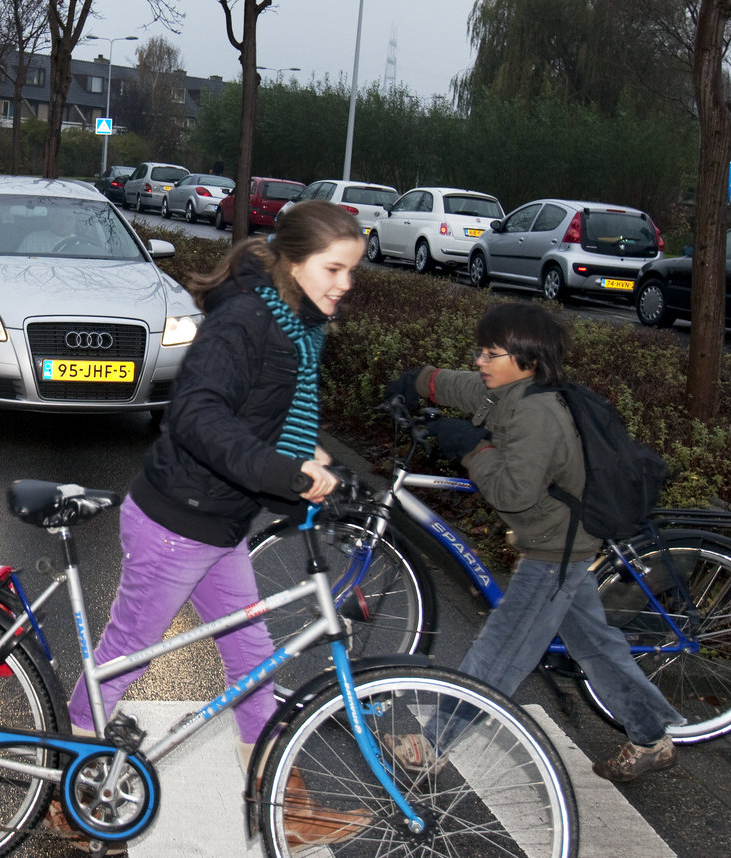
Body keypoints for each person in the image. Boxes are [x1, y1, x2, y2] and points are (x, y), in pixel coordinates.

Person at [54, 199, 366, 849]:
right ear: (294, 260)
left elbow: (257, 414)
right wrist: (283, 472)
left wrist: (299, 457)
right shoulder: (249, 322)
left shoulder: (295, 323)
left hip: (219, 523)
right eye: (333, 269)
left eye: (351, 271)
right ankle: (69, 786)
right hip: (177, 521)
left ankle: (283, 804)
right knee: (124, 656)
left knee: (251, 660)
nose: (344, 284)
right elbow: (196, 416)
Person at [382, 303, 685, 783]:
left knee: (503, 646)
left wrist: (472, 447)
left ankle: (431, 744)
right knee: (595, 646)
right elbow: (466, 386)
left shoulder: (537, 413)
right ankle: (650, 736)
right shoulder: (515, 389)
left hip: (554, 547)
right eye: (480, 351)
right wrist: (418, 379)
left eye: (491, 354)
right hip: (563, 539)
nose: (481, 361)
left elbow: (512, 493)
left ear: (528, 359)